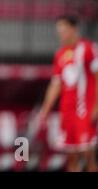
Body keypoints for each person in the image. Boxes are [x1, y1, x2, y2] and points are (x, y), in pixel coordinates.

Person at [39, 15, 98, 172]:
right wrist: (45, 109)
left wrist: (96, 106)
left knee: (87, 154)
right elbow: (56, 85)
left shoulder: (88, 49)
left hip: (84, 110)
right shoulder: (60, 55)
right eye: (59, 31)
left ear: (74, 29)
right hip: (67, 112)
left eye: (64, 30)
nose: (61, 34)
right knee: (71, 156)